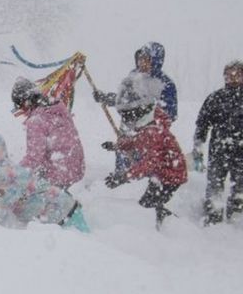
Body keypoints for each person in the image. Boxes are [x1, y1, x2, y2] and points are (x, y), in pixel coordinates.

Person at [103, 72, 187, 229]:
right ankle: (165, 222)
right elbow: (137, 142)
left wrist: (124, 176)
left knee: (148, 203)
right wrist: (117, 146)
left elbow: (150, 162)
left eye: (128, 115)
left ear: (137, 110)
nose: (127, 120)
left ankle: (170, 228)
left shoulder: (152, 130)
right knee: (151, 202)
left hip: (170, 176)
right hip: (163, 173)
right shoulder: (149, 123)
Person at [0, 131, 90, 232]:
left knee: (81, 249)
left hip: (62, 213)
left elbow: (0, 212)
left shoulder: (5, 176)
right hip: (62, 211)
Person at [94, 42, 178, 173]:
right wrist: (107, 98)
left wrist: (147, 118)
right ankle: (121, 182)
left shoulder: (165, 84)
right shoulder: (133, 75)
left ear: (156, 61)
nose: (142, 62)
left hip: (148, 136)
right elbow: (126, 100)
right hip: (127, 130)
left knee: (144, 169)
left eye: (146, 59)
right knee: (124, 164)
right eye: (140, 58)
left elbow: (170, 113)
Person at [192, 60, 243, 225]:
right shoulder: (215, 98)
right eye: (229, 74)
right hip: (219, 151)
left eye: (236, 74)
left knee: (240, 190)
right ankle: (213, 218)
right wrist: (198, 146)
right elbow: (202, 124)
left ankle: (236, 219)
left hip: (241, 153)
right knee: (214, 187)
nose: (232, 77)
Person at [11, 77, 85, 189]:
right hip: (76, 169)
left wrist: (14, 174)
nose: (22, 110)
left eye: (20, 105)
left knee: (26, 189)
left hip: (58, 174)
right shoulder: (58, 109)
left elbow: (34, 157)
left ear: (27, 102)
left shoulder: (36, 120)